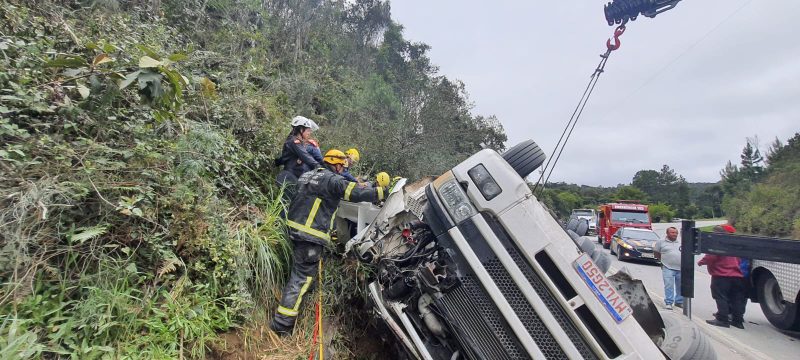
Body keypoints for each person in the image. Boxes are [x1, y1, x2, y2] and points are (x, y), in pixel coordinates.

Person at [270, 149, 386, 336]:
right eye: (342, 166)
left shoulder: (309, 175)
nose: (342, 170)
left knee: (302, 275)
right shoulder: (332, 180)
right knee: (301, 279)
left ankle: (300, 303)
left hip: (292, 229)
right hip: (310, 236)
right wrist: (380, 192)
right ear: (337, 165)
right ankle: (282, 324)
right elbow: (354, 192)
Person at [698, 224, 746, 329]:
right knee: (736, 298)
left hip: (722, 275)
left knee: (721, 297)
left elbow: (711, 257)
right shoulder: (734, 244)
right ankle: (738, 321)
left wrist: (701, 262)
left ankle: (722, 319)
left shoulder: (718, 243)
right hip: (737, 275)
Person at [274, 116, 320, 204]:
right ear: (301, 129)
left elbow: (285, 158)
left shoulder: (297, 142)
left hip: (292, 177)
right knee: (285, 205)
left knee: (289, 204)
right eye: (308, 130)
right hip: (289, 177)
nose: (309, 133)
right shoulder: (294, 142)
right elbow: (305, 156)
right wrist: (318, 165)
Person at [655, 227, 683, 310]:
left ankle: (679, 301)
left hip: (680, 268)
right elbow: (656, 252)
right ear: (667, 233)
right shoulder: (661, 242)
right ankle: (669, 302)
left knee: (680, 286)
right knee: (669, 285)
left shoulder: (681, 242)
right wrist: (663, 261)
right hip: (667, 267)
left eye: (676, 233)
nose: (675, 234)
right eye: (672, 232)